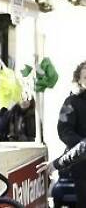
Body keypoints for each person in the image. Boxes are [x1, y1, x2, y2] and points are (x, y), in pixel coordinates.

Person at [57, 60, 86, 205]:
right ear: (79, 81)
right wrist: (82, 145)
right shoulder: (71, 102)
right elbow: (64, 130)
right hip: (82, 167)